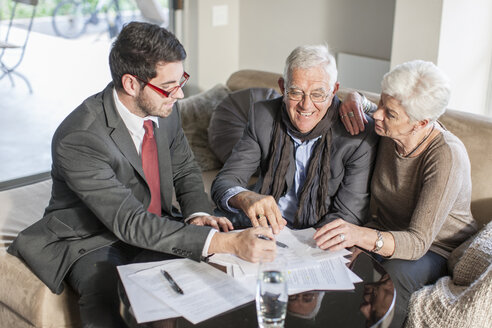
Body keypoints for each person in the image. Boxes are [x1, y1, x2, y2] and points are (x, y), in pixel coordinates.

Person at [7, 22, 276, 327]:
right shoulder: (79, 137)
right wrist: (224, 242)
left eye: (181, 79)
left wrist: (198, 213)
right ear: (132, 84)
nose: (180, 93)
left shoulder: (166, 107)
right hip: (93, 236)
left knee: (206, 283)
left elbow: (186, 168)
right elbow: (130, 223)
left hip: (153, 222)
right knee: (104, 294)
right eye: (170, 85)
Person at [313, 60, 478, 327]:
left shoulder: (446, 155)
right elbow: (363, 105)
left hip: (434, 248)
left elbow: (416, 243)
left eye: (389, 114)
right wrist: (354, 97)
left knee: (393, 277)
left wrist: (359, 235)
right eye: (381, 104)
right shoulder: (389, 126)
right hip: (386, 230)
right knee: (332, 258)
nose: (377, 115)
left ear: (421, 123)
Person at [211, 45, 379, 234]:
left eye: (317, 94)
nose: (305, 105)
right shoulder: (262, 116)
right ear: (283, 87)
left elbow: (348, 214)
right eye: (296, 92)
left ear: (334, 91)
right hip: (262, 226)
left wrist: (305, 249)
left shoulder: (357, 135)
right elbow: (225, 181)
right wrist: (244, 197)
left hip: (318, 235)